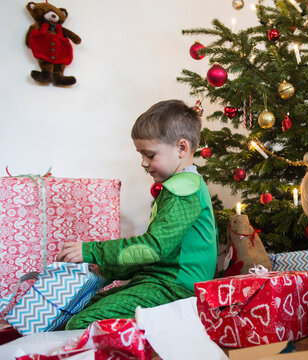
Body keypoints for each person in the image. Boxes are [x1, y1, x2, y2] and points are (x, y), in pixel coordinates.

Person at [57, 99, 218, 330]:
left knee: (82, 323)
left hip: (175, 288)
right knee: (80, 309)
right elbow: (159, 253)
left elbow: (152, 248)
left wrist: (90, 251)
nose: (143, 162)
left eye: (150, 155)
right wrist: (108, 270)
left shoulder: (184, 190)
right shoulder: (183, 185)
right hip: (158, 281)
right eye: (141, 154)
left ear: (181, 148)